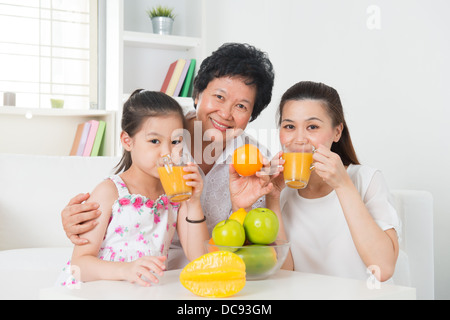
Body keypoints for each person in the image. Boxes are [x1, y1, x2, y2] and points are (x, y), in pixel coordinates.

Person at [60, 43, 276, 269]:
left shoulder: (257, 160)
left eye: (241, 106)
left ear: (252, 115)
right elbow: (118, 194)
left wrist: (241, 208)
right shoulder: (164, 127)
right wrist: (79, 219)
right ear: (197, 95)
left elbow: (255, 240)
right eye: (219, 97)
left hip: (204, 266)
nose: (225, 113)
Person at [58, 90, 208, 287]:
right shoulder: (110, 192)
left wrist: (194, 202)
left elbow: (200, 257)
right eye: (155, 141)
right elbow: (79, 264)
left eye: (175, 142)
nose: (167, 152)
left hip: (142, 291)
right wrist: (125, 270)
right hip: (98, 289)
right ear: (128, 141)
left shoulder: (174, 195)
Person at [265, 81, 400, 282]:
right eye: (289, 126)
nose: (299, 139)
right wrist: (272, 198)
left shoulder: (367, 180)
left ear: (337, 132)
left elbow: (383, 268)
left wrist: (342, 184)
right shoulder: (281, 191)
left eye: (312, 126)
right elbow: (283, 274)